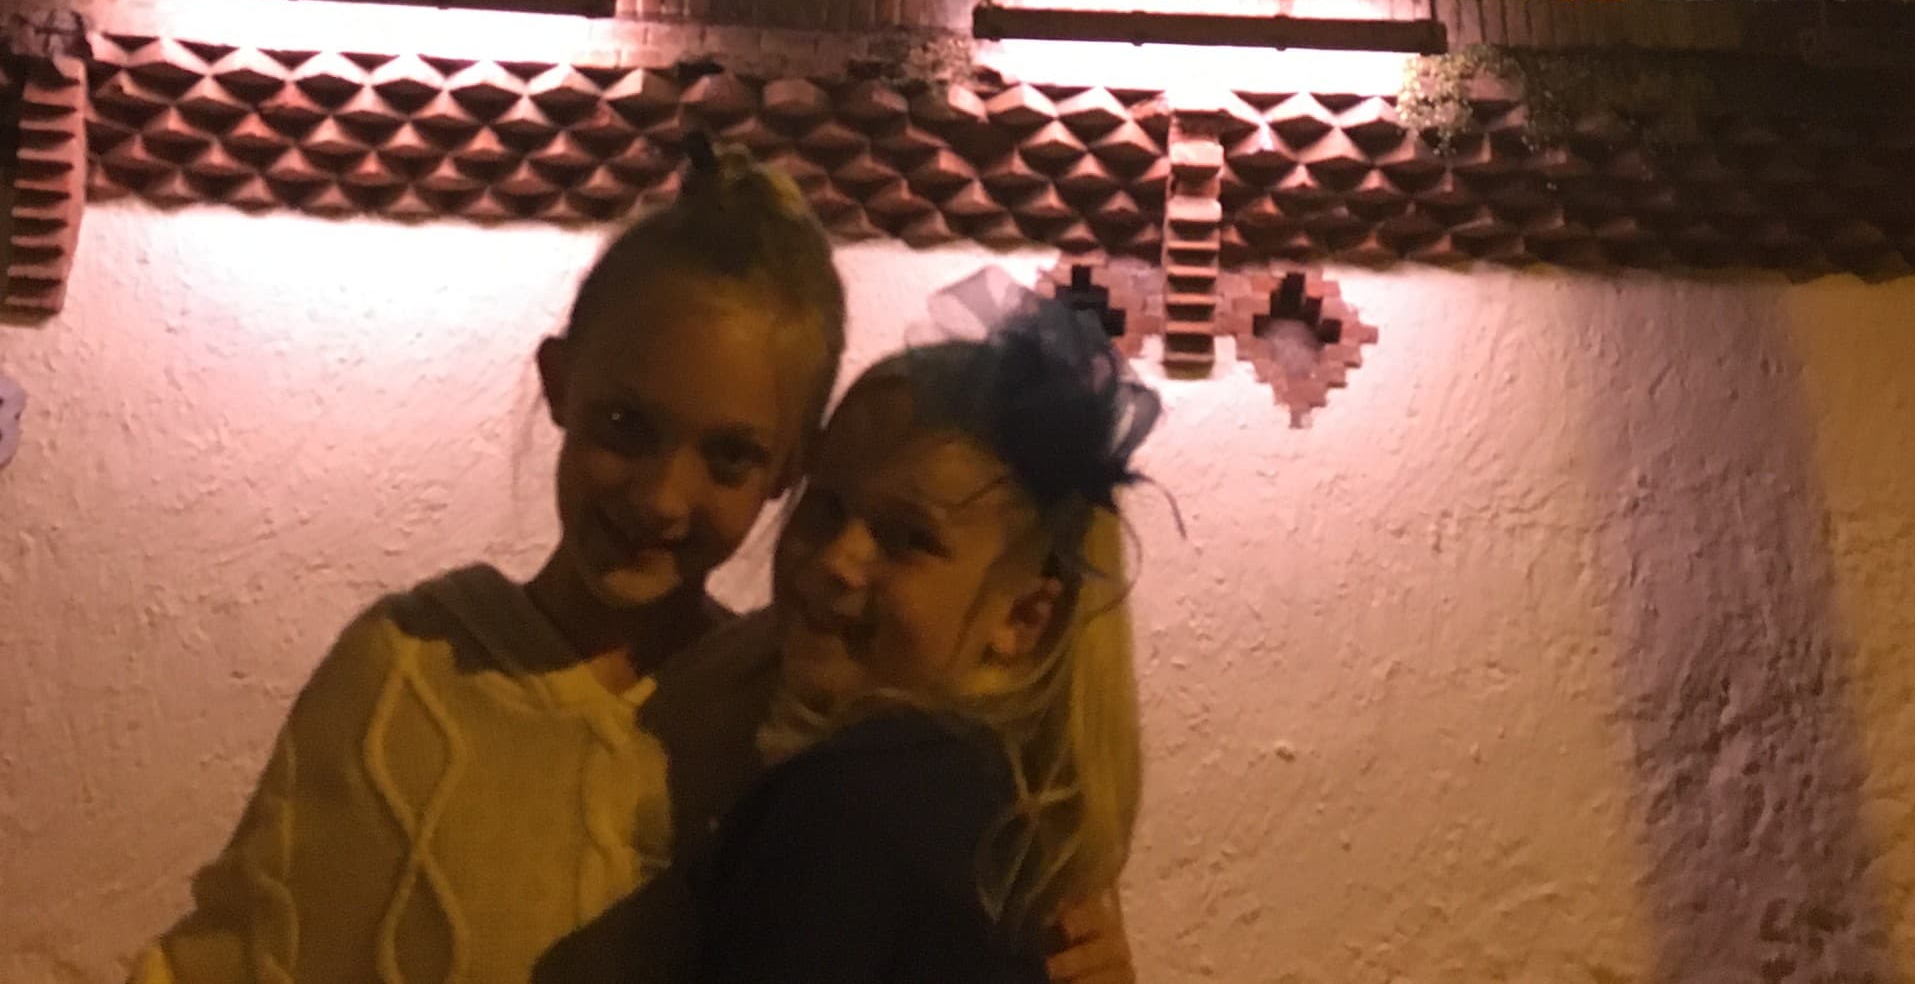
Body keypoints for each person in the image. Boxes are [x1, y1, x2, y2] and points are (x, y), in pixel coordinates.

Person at [131, 144, 847, 984]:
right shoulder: (405, 674)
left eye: (728, 456)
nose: (662, 496)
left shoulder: (787, 723)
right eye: (625, 423)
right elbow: (233, 957)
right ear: (559, 382)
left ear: (790, 469)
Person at [689, 281, 1154, 984]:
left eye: (906, 537)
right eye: (827, 504)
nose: (839, 557)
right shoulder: (1004, 823)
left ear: (1024, 617)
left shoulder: (847, 808)